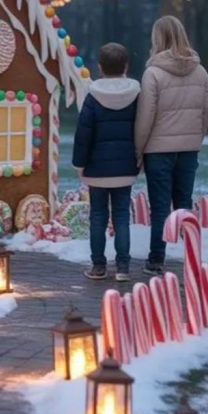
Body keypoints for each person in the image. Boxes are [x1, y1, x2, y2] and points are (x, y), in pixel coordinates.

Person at [135, 15, 208, 275]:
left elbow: (146, 116)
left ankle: (156, 259)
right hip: (189, 149)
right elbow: (207, 110)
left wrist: (139, 148)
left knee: (160, 208)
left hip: (158, 151)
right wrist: (196, 138)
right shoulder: (200, 71)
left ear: (158, 38)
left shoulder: (153, 73)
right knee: (183, 204)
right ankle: (191, 256)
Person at [72, 42, 140, 281]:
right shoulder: (135, 95)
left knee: (98, 216)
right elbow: (140, 129)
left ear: (100, 67)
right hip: (124, 166)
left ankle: (98, 266)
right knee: (121, 215)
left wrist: (79, 163)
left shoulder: (93, 96)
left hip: (97, 168)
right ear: (126, 66)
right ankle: (122, 267)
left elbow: (83, 134)